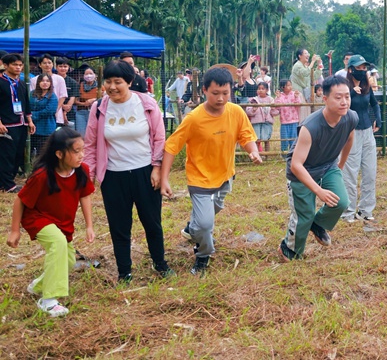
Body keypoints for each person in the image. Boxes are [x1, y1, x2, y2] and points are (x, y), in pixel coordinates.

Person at [161, 67, 261, 276]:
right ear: (204, 90)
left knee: (212, 211)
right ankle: (203, 255)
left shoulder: (236, 112)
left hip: (225, 176)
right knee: (205, 225)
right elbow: (171, 146)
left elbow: (246, 135)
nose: (221, 98)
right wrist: (164, 179)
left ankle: (191, 227)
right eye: (215, 93)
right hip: (200, 179)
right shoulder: (194, 118)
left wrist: (253, 151)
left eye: (225, 93)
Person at [83, 60, 173, 283]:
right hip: (113, 176)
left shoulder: (146, 103)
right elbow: (90, 145)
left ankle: (160, 264)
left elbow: (159, 138)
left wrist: (156, 167)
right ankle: (124, 272)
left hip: (145, 173)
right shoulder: (99, 108)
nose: (111, 87)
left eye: (118, 82)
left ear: (130, 82)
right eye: (108, 82)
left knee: (152, 222)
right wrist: (89, 178)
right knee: (119, 226)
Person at [6, 128, 95, 317]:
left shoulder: (82, 171)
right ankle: (49, 300)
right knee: (58, 243)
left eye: (82, 150)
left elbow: (85, 196)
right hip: (37, 218)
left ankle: (38, 286)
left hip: (62, 222)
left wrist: (89, 226)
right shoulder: (43, 175)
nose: (82, 155)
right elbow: (20, 200)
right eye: (76, 151)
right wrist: (15, 231)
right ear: (59, 154)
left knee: (68, 259)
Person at [278, 75, 358, 261]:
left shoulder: (350, 117)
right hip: (301, 172)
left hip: (328, 165)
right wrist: (318, 191)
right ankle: (290, 249)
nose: (344, 102)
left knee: (341, 202)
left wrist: (340, 166)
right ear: (325, 99)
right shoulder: (310, 126)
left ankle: (318, 223)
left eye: (347, 96)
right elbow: (297, 165)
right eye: (338, 97)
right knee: (303, 216)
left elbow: (349, 139)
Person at [340, 55, 381, 223]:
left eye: (365, 67)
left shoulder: (366, 85)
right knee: (350, 172)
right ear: (351, 69)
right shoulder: (343, 86)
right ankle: (347, 212)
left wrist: (378, 118)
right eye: (359, 67)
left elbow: (374, 103)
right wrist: (349, 94)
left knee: (370, 171)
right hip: (350, 132)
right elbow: (338, 106)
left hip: (367, 132)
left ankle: (365, 210)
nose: (363, 70)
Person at [1, 53, 35, 193]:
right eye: (15, 64)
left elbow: (26, 103)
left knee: (18, 154)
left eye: (20, 65)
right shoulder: (1, 82)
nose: (18, 67)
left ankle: (8, 180)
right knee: (6, 154)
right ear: (6, 65)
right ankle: (7, 184)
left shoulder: (20, 83)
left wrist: (30, 121)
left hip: (21, 124)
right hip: (6, 125)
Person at [30, 54, 68, 129]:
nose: (47, 65)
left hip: (56, 115)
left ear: (53, 64)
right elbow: (33, 96)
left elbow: (63, 96)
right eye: (44, 63)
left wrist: (54, 109)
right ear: (40, 65)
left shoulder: (59, 79)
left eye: (49, 63)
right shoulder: (34, 80)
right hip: (38, 115)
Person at [30, 73, 59, 157]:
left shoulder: (52, 96)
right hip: (33, 128)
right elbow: (27, 106)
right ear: (38, 82)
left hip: (46, 129)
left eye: (47, 81)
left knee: (42, 153)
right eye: (42, 81)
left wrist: (32, 115)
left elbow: (49, 111)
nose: (45, 83)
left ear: (50, 83)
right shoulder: (32, 94)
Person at [291, 48, 322, 123]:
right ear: (300, 56)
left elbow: (314, 76)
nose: (308, 55)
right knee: (301, 116)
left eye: (308, 53)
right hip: (298, 94)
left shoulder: (305, 67)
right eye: (305, 53)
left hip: (306, 94)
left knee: (306, 115)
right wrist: (313, 62)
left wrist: (319, 66)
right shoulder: (297, 65)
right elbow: (305, 73)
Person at [245, 82, 279, 152]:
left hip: (267, 122)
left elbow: (276, 112)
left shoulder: (271, 100)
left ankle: (267, 155)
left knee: (266, 140)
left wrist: (273, 108)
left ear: (267, 90)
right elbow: (248, 111)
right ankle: (257, 154)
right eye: (259, 89)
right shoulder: (253, 100)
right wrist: (253, 110)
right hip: (256, 122)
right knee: (257, 140)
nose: (260, 90)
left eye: (263, 89)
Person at [275, 79, 303, 154]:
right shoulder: (280, 96)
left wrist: (297, 97)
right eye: (287, 85)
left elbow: (299, 104)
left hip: (294, 121)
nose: (290, 87)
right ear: (282, 87)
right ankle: (284, 153)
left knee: (293, 138)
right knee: (284, 138)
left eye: (290, 85)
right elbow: (277, 107)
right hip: (284, 121)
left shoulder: (294, 94)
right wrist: (277, 98)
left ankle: (293, 153)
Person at [74, 66, 99, 136]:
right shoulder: (79, 86)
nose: (89, 76)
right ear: (83, 76)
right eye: (86, 74)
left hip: (94, 113)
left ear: (95, 75)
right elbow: (75, 101)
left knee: (92, 134)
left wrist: (94, 100)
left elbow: (104, 99)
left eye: (91, 73)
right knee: (81, 134)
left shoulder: (100, 87)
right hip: (81, 113)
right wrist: (84, 104)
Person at [55, 58, 77, 128]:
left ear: (68, 67)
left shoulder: (73, 82)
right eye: (60, 66)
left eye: (65, 66)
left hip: (69, 114)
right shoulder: (51, 80)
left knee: (70, 137)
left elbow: (73, 97)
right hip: (55, 112)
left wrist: (66, 110)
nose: (63, 68)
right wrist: (61, 106)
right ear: (56, 67)